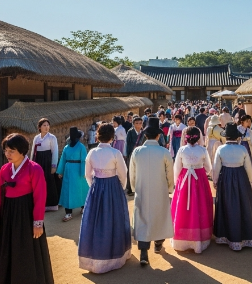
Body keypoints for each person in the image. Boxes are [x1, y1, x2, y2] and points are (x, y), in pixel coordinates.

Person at [0, 134, 54, 283]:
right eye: (6, 150)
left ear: (22, 151)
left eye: (12, 151)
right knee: (7, 250)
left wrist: (37, 223)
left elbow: (40, 196)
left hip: (26, 215)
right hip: (8, 216)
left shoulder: (34, 169)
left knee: (26, 251)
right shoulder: (4, 170)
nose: (7, 154)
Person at [78, 124, 131, 274]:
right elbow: (123, 173)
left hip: (96, 187)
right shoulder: (115, 153)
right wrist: (120, 188)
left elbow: (88, 174)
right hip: (113, 187)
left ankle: (95, 257)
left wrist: (93, 187)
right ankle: (115, 255)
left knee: (95, 221)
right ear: (112, 137)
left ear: (98, 136)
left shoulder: (91, 153)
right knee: (114, 219)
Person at [129, 117, 175, 265]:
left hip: (141, 189)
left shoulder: (137, 152)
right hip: (160, 189)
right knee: (159, 216)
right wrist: (169, 188)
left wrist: (135, 188)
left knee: (142, 218)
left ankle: (143, 252)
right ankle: (158, 244)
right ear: (158, 135)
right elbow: (170, 173)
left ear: (145, 135)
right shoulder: (164, 152)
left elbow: (133, 174)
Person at [212, 123, 252, 251]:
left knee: (227, 205)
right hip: (241, 178)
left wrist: (215, 181)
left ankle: (226, 235)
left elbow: (216, 168)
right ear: (237, 137)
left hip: (226, 178)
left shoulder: (221, 149)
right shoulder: (242, 149)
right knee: (243, 205)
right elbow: (248, 168)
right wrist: (250, 181)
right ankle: (246, 236)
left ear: (226, 136)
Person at [170, 126, 213, 254]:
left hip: (185, 179)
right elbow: (209, 168)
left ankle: (182, 237)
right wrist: (200, 171)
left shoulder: (182, 150)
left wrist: (177, 181)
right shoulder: (203, 150)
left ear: (186, 137)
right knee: (200, 205)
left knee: (183, 207)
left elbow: (177, 168)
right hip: (199, 179)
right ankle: (200, 238)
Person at [56, 127, 90, 222]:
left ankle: (83, 207)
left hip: (78, 170)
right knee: (67, 191)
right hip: (68, 170)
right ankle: (68, 212)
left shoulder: (81, 147)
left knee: (81, 189)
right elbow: (63, 159)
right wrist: (60, 171)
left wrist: (83, 172)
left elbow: (84, 160)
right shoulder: (66, 147)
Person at [29, 118, 61, 212]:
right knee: (38, 182)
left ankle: (51, 204)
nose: (46, 127)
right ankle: (39, 204)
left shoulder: (52, 137)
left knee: (49, 182)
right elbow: (33, 152)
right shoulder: (36, 138)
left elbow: (55, 152)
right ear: (39, 127)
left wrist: (53, 165)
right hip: (38, 161)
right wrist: (31, 163)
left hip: (48, 161)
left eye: (47, 125)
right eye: (44, 125)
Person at [237, 115, 252, 190]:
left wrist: (248, 140)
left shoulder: (250, 131)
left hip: (247, 149)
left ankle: (250, 185)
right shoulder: (237, 129)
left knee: (248, 166)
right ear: (242, 122)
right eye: (247, 121)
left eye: (249, 121)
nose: (249, 122)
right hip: (239, 149)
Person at [125, 117, 144, 195]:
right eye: (136, 123)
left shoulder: (143, 133)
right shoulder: (130, 132)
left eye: (140, 123)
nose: (138, 125)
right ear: (133, 124)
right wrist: (127, 153)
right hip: (131, 153)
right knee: (131, 170)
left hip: (141, 154)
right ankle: (130, 188)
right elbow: (127, 143)